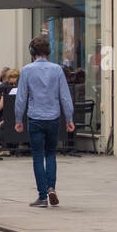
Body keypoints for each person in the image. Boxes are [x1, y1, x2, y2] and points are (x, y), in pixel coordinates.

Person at [15, 37, 75, 208]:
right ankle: (51, 188)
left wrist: (18, 119)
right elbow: (65, 96)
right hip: (53, 117)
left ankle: (42, 197)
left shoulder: (27, 70)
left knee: (37, 156)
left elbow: (21, 98)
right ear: (48, 52)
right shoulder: (57, 70)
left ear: (32, 52)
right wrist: (69, 118)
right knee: (50, 154)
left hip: (35, 117)